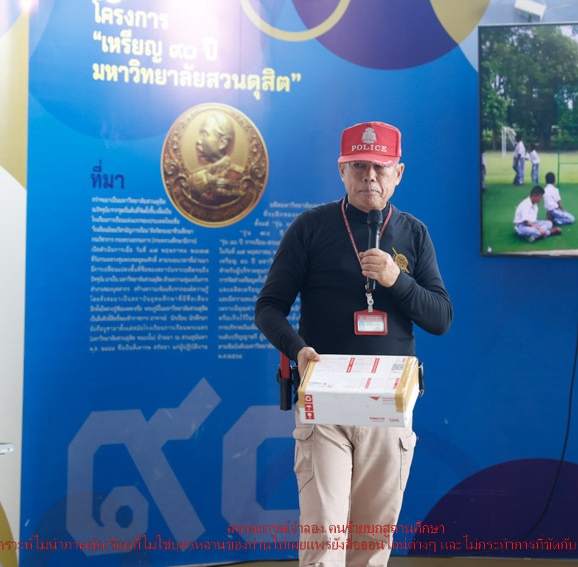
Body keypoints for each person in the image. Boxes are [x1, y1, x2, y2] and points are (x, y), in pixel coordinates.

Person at [255, 121, 452, 567]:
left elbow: (440, 318)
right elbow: (268, 308)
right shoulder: (310, 227)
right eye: (359, 166)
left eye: (380, 167)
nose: (370, 177)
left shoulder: (414, 233)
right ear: (341, 170)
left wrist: (397, 279)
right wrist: (297, 349)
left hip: (389, 406)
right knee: (324, 537)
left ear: (398, 172)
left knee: (373, 541)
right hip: (324, 405)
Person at [187, 111, 245, 205]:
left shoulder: (240, 177)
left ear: (222, 143)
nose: (198, 141)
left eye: (204, 134)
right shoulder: (194, 178)